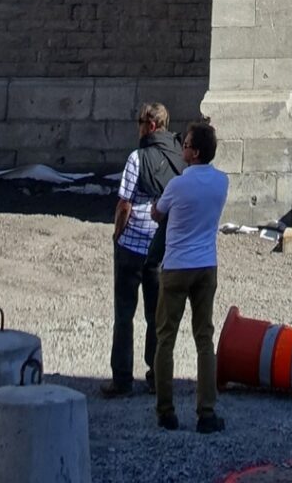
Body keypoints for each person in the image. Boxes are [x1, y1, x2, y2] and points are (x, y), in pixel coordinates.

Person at [145, 118, 228, 433]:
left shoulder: (177, 184)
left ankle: (166, 411)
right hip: (206, 265)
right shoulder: (222, 182)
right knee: (204, 338)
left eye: (187, 144)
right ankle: (206, 412)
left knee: (166, 338)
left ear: (194, 153)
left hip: (177, 264)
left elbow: (158, 212)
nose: (182, 147)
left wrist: (157, 206)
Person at [102, 101, 181, 397]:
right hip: (161, 248)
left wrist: (117, 233)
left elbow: (124, 203)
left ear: (150, 126)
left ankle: (122, 379)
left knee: (124, 314)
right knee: (156, 315)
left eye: (139, 122)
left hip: (132, 246)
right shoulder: (178, 158)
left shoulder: (137, 158)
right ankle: (156, 377)